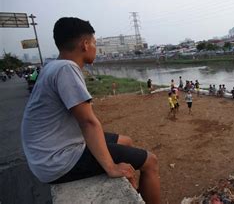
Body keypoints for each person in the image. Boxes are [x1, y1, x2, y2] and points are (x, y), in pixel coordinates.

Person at [21, 17, 160, 203]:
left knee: (126, 141)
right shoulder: (67, 69)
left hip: (50, 150)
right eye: (94, 43)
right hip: (57, 160)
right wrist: (111, 167)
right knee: (150, 161)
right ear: (85, 45)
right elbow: (88, 122)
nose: (95, 47)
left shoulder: (52, 66)